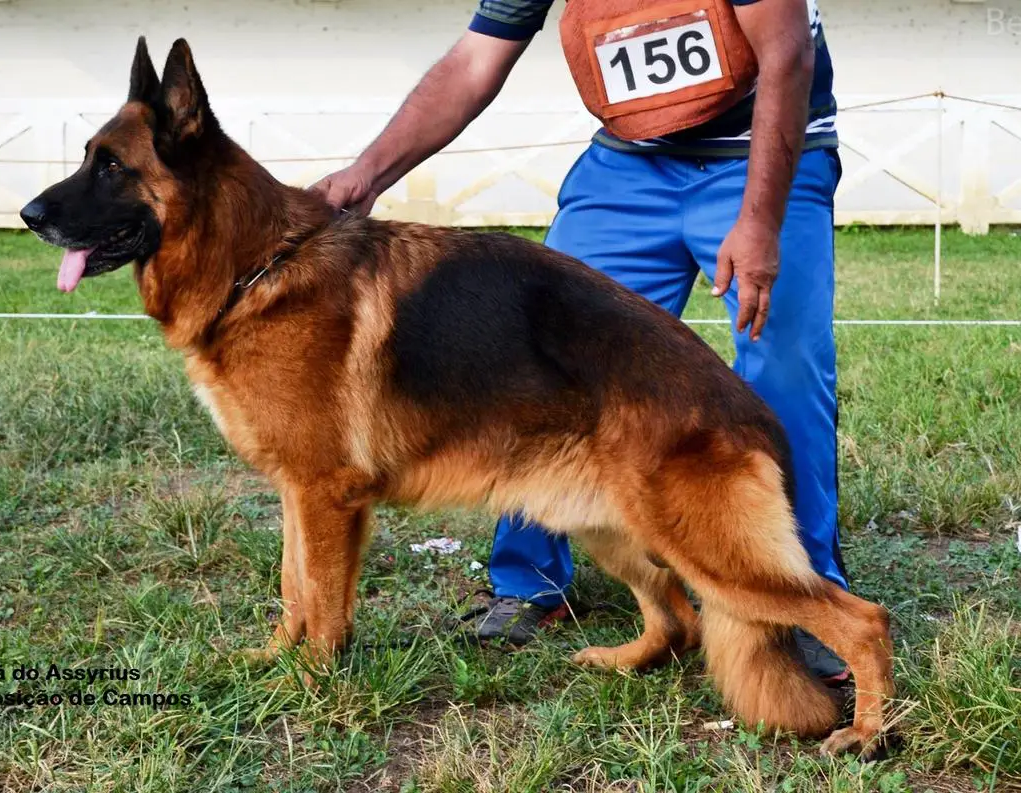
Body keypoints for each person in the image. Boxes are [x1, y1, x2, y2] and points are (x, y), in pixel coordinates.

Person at [311, 0, 851, 681]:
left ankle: (802, 595)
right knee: (530, 358)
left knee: (785, 368)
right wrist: (369, 172)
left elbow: (787, 54)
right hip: (629, 164)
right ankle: (527, 580)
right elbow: (476, 60)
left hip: (767, 154)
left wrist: (760, 221)